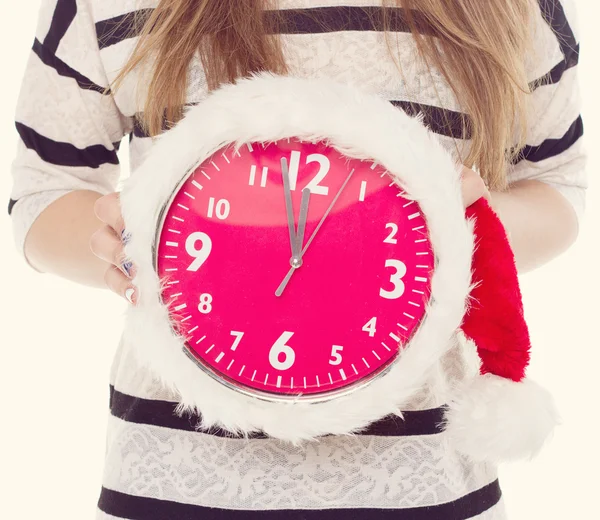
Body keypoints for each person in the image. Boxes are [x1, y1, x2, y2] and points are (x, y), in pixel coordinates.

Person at [9, 0, 586, 518]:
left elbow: (557, 183)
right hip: (173, 480)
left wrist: (447, 227)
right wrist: (120, 248)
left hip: (428, 480)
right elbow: (43, 186)